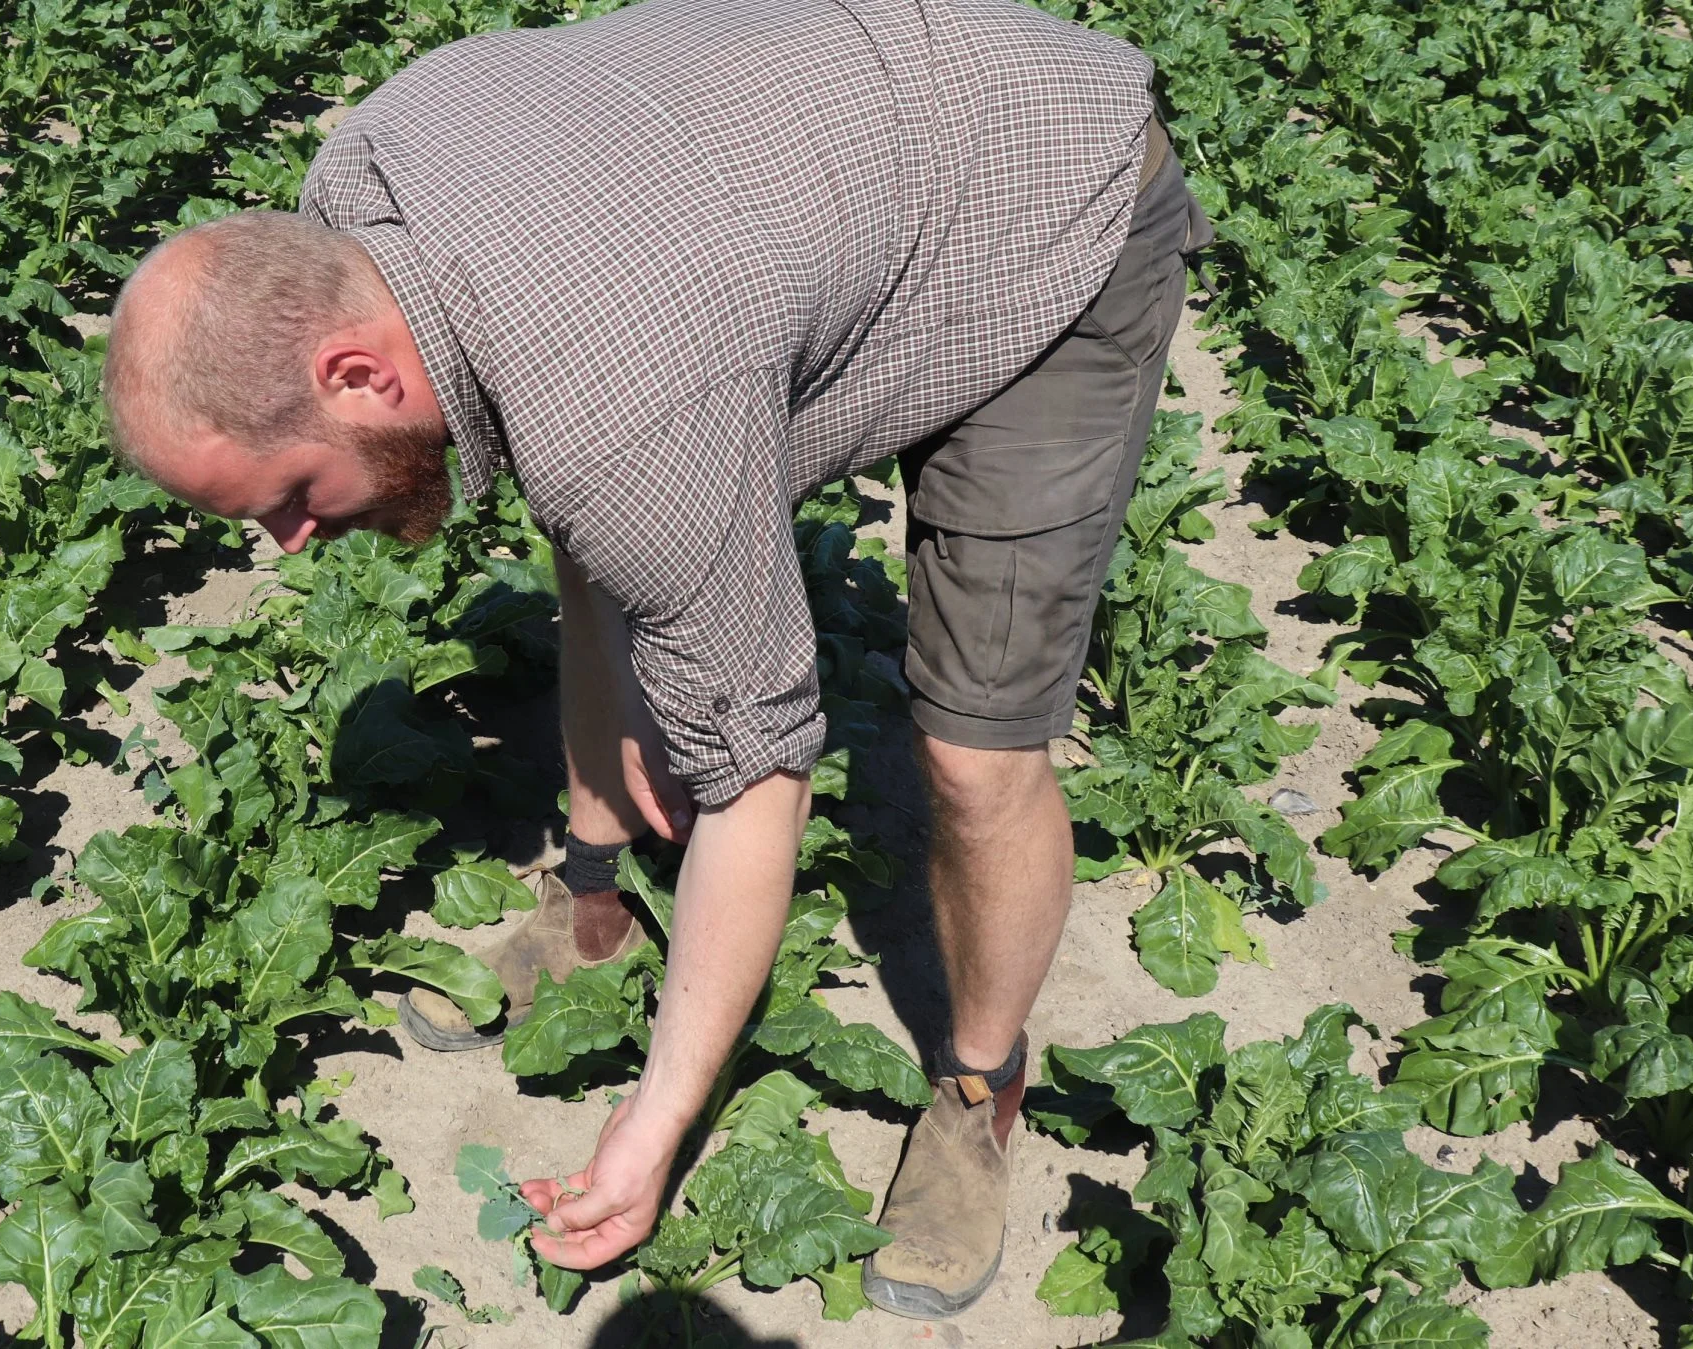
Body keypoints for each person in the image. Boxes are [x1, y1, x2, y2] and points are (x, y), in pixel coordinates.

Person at [99, 0, 1211, 1319]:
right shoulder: (359, 193)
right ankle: (595, 903)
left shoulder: (620, 400)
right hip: (822, 180)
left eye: (283, 493)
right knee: (612, 524)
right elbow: (593, 533)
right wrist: (600, 872)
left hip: (1046, 198)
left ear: (354, 371)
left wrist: (655, 1123)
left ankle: (981, 1090)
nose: (289, 541)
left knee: (974, 751)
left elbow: (760, 772)